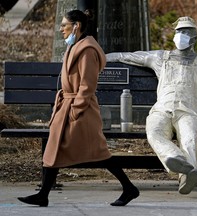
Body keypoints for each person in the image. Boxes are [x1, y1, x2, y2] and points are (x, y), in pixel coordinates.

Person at [17, 9, 139, 207]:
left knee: (99, 153)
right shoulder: (75, 47)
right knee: (55, 148)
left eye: (64, 25)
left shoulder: (87, 50)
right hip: (68, 106)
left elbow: (87, 85)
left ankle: (129, 187)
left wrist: (76, 109)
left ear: (77, 26)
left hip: (80, 110)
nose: (61, 29)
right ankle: (43, 194)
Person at [106, 17, 197, 195]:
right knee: (154, 132)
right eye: (178, 32)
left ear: (194, 39)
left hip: (189, 112)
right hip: (162, 110)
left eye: (186, 32)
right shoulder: (159, 57)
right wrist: (99, 56)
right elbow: (128, 56)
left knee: (190, 138)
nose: (181, 35)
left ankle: (185, 176)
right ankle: (179, 162)